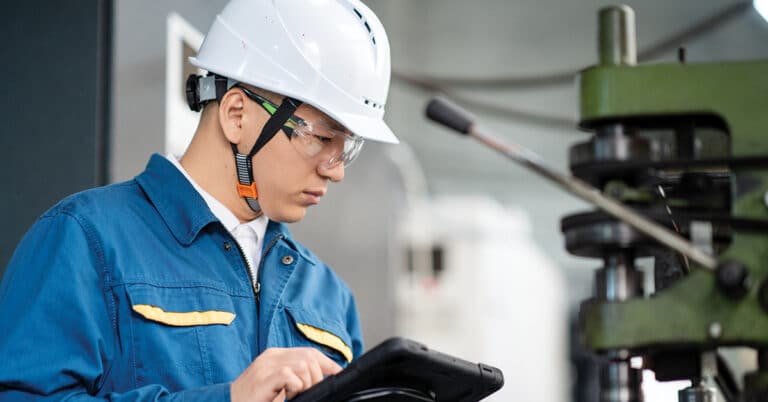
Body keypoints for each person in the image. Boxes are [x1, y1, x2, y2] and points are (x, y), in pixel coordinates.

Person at [0, 0, 397, 401]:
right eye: (323, 137)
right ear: (237, 115)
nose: (336, 170)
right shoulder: (87, 239)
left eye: (347, 149)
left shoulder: (329, 295)